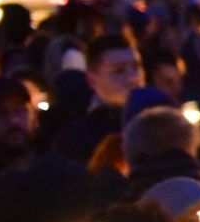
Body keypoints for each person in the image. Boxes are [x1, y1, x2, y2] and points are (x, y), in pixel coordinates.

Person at [55, 35, 145, 163]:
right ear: (92, 80)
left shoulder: (161, 124)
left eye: (136, 67)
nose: (133, 77)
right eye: (119, 70)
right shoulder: (78, 138)